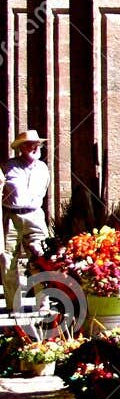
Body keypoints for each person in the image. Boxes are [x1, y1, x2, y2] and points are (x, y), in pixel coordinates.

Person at [3, 130, 52, 315]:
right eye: (30, 144)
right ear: (21, 148)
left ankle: (44, 303)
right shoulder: (8, 167)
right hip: (11, 217)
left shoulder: (43, 168)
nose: (34, 147)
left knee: (41, 257)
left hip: (35, 215)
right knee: (8, 260)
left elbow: (45, 190)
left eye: (37, 144)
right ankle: (13, 305)